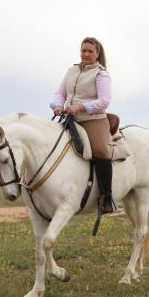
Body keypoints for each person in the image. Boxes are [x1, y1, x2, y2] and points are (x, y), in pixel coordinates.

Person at [50, 37, 116, 215]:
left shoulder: (101, 74)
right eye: (83, 50)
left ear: (97, 54)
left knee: (101, 151)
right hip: (71, 119)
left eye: (90, 51)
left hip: (93, 120)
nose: (85, 54)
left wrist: (80, 106)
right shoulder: (71, 71)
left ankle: (106, 197)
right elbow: (60, 93)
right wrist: (57, 105)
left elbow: (104, 101)